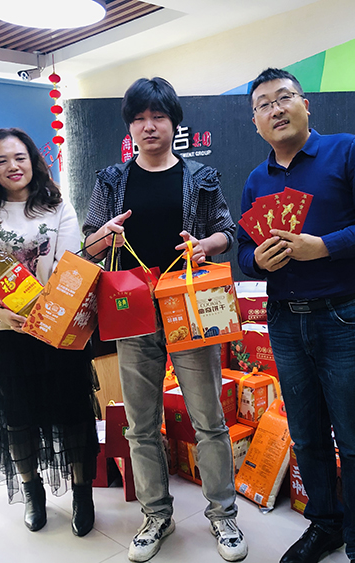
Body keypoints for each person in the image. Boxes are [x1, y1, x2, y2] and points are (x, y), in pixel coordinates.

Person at [237, 68, 355, 563]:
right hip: (286, 321)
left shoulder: (346, 150)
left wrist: (323, 246)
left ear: (305, 105)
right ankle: (325, 525)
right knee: (307, 435)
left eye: (284, 97)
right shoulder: (256, 180)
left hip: (344, 316)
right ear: (255, 122)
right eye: (264, 104)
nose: (276, 109)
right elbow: (243, 252)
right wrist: (256, 261)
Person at [81, 77, 246, 562]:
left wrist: (206, 245)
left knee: (209, 419)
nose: (148, 126)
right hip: (132, 313)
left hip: (187, 309)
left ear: (174, 123)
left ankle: (223, 515)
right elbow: (90, 244)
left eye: (157, 117)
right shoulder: (112, 180)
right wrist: (104, 235)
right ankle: (156, 515)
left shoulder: (201, 176)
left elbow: (227, 231)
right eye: (139, 119)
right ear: (130, 127)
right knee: (141, 424)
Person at [0, 128, 101, 537]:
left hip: (58, 334)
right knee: (17, 420)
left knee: (74, 415)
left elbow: (68, 267)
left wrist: (47, 312)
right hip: (8, 337)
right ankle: (32, 493)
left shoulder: (56, 206)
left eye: (19, 157)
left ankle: (82, 495)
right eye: (1, 161)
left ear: (32, 160)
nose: (12, 167)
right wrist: (0, 314)